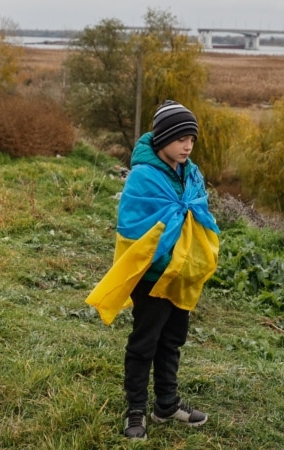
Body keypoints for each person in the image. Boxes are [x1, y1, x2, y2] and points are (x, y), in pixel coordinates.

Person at [85, 100, 220, 440]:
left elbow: (199, 208)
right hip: (150, 275)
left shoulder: (190, 171)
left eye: (192, 138)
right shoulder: (143, 176)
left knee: (172, 339)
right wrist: (174, 226)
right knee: (144, 343)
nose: (187, 145)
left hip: (180, 274)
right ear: (162, 139)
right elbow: (133, 226)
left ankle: (166, 404)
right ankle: (135, 411)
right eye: (180, 139)